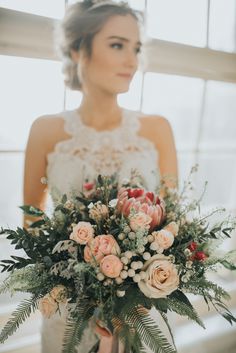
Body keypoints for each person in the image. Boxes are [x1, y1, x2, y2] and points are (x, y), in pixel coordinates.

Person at [23, 1, 178, 352]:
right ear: (79, 49)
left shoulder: (157, 129)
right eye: (117, 45)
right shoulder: (45, 130)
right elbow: (31, 221)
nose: (132, 61)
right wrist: (70, 280)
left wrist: (142, 277)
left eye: (136, 49)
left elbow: (173, 220)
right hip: (71, 315)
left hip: (142, 311)